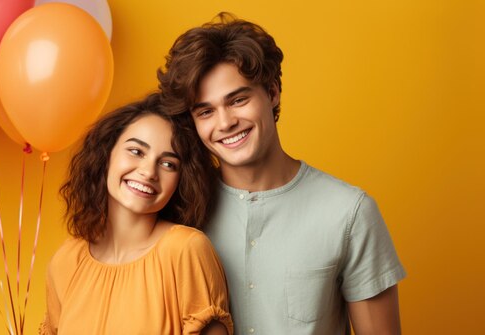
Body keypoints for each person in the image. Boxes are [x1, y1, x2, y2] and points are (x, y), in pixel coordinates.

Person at [157, 13, 406, 335]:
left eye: (238, 100)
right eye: (205, 111)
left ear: (272, 93)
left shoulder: (350, 212)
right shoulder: (180, 208)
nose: (225, 123)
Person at [39, 93, 233, 335]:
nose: (149, 171)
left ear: (181, 180)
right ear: (106, 155)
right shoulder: (67, 261)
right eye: (136, 151)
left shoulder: (186, 250)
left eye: (168, 164)